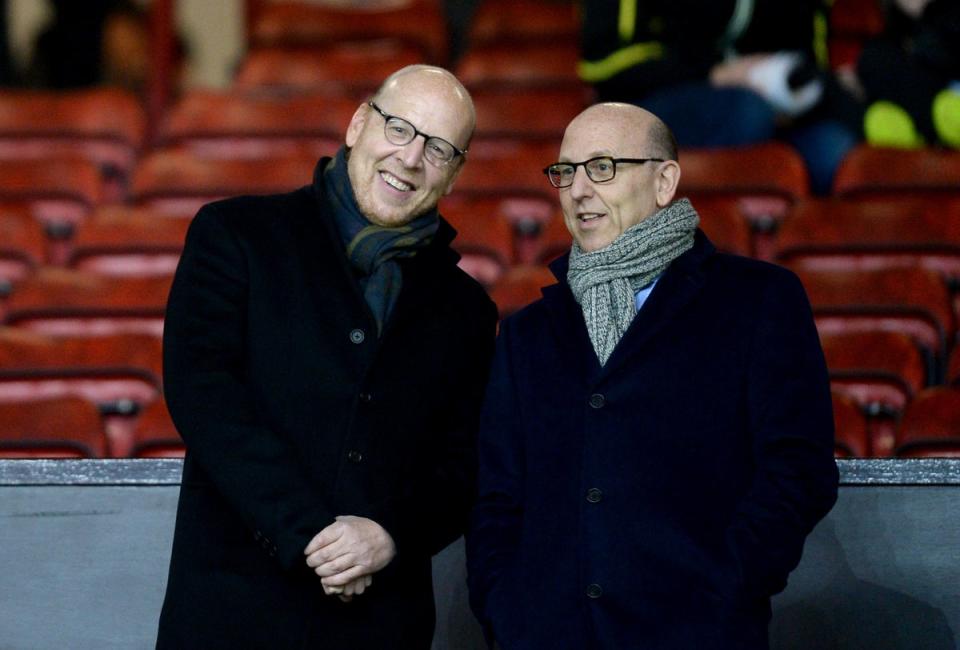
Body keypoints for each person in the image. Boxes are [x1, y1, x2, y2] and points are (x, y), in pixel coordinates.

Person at [466, 103, 839, 649]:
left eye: (603, 167)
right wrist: (506, 610)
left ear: (664, 180)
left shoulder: (758, 300)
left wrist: (723, 589)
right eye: (566, 171)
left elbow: (799, 471)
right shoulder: (527, 334)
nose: (578, 190)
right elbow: (496, 498)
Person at [156, 65, 498, 649]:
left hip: (378, 628)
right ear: (359, 124)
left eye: (438, 148)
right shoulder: (236, 234)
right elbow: (203, 394)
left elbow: (463, 465)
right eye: (399, 129)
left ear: (455, 172)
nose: (411, 159)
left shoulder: (466, 309)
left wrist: (389, 534)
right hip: (230, 618)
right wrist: (311, 534)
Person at [577, 0, 863, 194]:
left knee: (835, 147)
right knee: (749, 112)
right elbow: (604, 61)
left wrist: (795, 91)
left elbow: (806, 56)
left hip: (774, 109)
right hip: (657, 99)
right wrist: (715, 74)